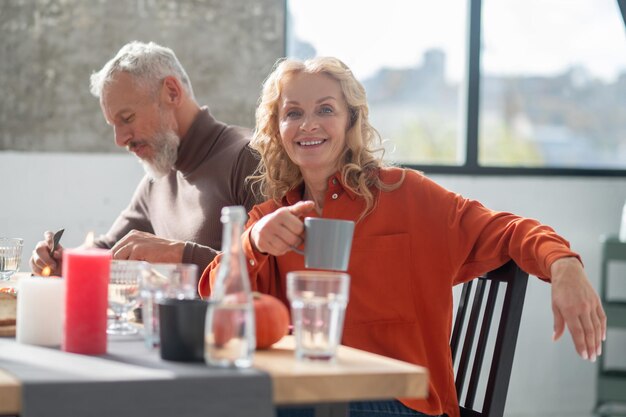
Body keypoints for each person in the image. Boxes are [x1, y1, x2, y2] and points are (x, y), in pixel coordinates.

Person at [198, 57, 606, 417]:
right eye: (293, 113)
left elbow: (511, 229)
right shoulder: (268, 219)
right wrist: (251, 243)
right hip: (311, 395)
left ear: (351, 121)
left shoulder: (406, 195)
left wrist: (564, 264)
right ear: (277, 128)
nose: (308, 124)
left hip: (402, 402)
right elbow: (214, 302)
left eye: (326, 109)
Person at [30, 41, 259, 275]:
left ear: (172, 92)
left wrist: (179, 254)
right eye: (113, 125)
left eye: (127, 118)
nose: (120, 140)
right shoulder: (157, 179)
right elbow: (109, 248)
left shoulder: (250, 158)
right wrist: (60, 261)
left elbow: (269, 273)